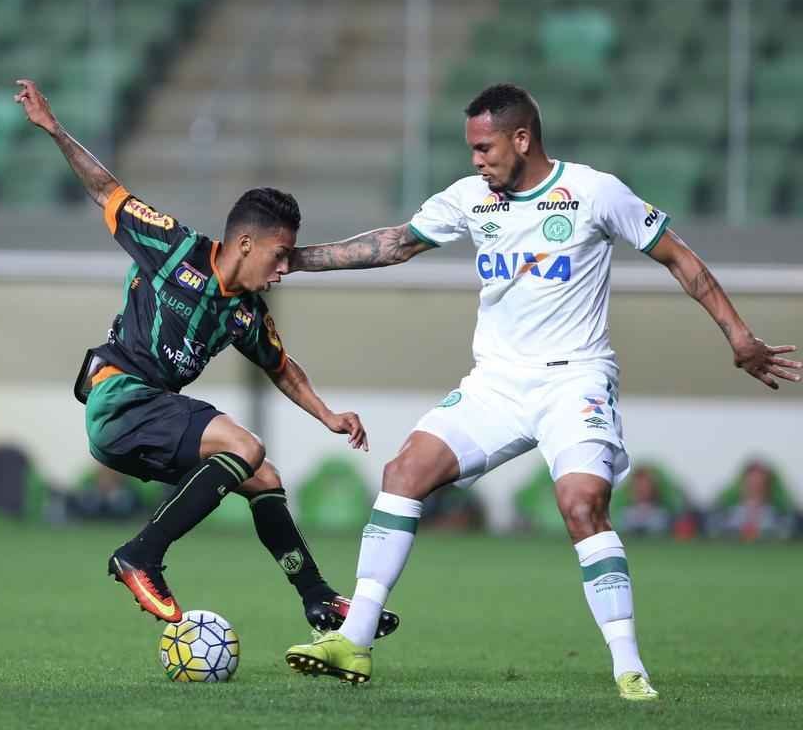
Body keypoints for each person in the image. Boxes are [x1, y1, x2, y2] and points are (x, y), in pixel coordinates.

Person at [281, 83, 801, 699]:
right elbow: (394, 243)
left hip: (574, 379)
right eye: (471, 149)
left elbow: (682, 260)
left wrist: (739, 336)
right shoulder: (472, 198)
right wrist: (298, 260)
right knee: (403, 472)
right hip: (495, 384)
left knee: (581, 506)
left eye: (485, 147)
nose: (476, 160)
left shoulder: (594, 192)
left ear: (521, 139)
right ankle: (355, 642)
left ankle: (628, 667)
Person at [13, 79, 398, 638]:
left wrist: (329, 415)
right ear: (245, 244)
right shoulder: (173, 247)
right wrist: (55, 130)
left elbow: (282, 368)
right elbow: (107, 190)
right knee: (246, 446)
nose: (285, 268)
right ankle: (141, 555)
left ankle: (317, 600)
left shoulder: (245, 312)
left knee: (262, 476)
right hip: (119, 395)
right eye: (280, 254)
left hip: (149, 413)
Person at [709, 458, 795, 541]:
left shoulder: (776, 514)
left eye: (760, 482)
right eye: (752, 481)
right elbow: (716, 532)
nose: (755, 485)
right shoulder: (730, 512)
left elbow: (784, 534)